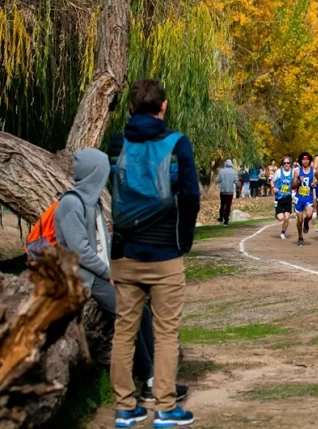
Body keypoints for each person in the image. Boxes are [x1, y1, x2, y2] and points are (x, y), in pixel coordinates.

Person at [55, 149, 189, 414]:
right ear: (94, 172)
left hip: (101, 275)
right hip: (84, 279)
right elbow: (80, 252)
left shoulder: (92, 202)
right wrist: (110, 274)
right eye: (103, 170)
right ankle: (150, 381)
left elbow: (104, 245)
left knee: (145, 310)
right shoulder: (71, 204)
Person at [107, 79, 199, 427]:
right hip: (165, 252)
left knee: (124, 331)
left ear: (131, 108)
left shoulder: (117, 143)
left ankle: (124, 407)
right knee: (165, 332)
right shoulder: (177, 143)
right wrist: (183, 240)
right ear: (163, 106)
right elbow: (190, 196)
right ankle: (164, 407)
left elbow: (114, 190)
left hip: (125, 252)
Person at [293, 152, 314, 246]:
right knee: (299, 220)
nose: (305, 161)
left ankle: (307, 221)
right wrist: (298, 181)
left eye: (307, 159)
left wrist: (314, 184)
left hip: (308, 197)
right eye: (303, 159)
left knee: (309, 215)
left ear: (309, 160)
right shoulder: (297, 171)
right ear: (301, 161)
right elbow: (293, 185)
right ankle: (300, 237)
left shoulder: (313, 171)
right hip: (299, 198)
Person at [271, 156, 294, 240]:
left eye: (288, 163)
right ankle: (277, 215)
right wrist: (273, 188)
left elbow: (294, 184)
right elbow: (272, 181)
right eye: (285, 163)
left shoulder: (293, 173)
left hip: (288, 197)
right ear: (282, 164)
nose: (286, 165)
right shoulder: (278, 172)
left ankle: (283, 232)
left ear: (290, 164)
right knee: (281, 218)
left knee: (287, 217)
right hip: (279, 198)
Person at [216, 159, 237, 226]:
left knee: (222, 204)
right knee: (228, 206)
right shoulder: (234, 172)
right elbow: (236, 181)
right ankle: (226, 220)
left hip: (223, 191)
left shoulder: (222, 171)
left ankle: (221, 217)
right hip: (230, 191)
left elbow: (218, 180)